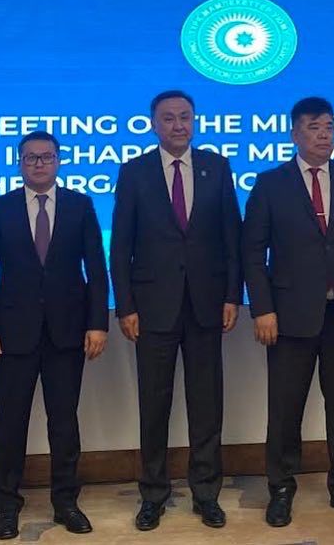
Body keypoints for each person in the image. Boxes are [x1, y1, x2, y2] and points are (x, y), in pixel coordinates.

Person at [243, 96, 334, 528]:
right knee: (285, 406)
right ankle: (281, 487)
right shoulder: (270, 184)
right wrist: (262, 309)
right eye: (314, 127)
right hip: (289, 314)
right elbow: (253, 252)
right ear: (295, 134)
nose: (324, 134)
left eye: (329, 126)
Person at [110, 90, 243, 531]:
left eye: (185, 116)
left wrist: (231, 296)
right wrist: (125, 305)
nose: (178, 125)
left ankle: (206, 493)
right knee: (155, 404)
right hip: (152, 308)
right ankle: (153, 494)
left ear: (195, 121)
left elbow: (232, 237)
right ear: (154, 125)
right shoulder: (135, 172)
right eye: (168, 118)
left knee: (207, 405)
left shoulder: (216, 167)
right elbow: (121, 246)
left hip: (206, 304)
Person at [0, 131, 109, 539]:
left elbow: (96, 270)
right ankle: (6, 507)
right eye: (31, 158)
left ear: (58, 161)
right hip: (12, 336)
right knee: (11, 423)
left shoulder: (81, 206)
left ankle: (66, 503)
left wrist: (97, 323)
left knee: (64, 423)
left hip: (67, 333)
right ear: (20, 164)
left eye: (46, 157)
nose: (39, 164)